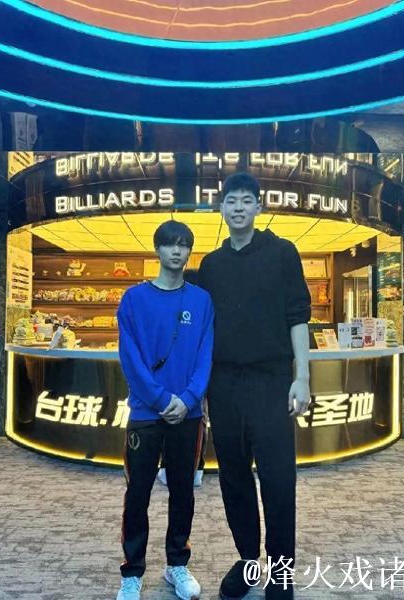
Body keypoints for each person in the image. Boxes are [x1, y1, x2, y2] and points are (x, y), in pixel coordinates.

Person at [197, 172, 312, 600]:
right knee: (233, 480)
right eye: (231, 201)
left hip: (271, 381)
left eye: (246, 200)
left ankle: (280, 572)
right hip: (224, 384)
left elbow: (297, 317)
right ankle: (248, 562)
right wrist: (202, 389)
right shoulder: (211, 265)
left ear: (258, 207)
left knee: (279, 480)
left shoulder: (282, 253)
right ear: (221, 209)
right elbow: (205, 332)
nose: (239, 207)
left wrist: (302, 377)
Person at [116, 220, 214, 600]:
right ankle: (132, 572)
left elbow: (205, 356)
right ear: (157, 249)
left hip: (188, 416)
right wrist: (160, 400)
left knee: (183, 493)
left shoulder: (201, 301)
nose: (177, 251)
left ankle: (177, 564)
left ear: (190, 251)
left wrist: (187, 400)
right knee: (137, 493)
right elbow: (130, 358)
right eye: (170, 244)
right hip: (145, 413)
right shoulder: (134, 299)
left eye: (183, 245)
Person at [157, 269, 208, 489]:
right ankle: (197, 468)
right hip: (199, 382)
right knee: (199, 424)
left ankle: (168, 467)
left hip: (174, 379)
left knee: (171, 424)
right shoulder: (205, 307)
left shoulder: (175, 306)